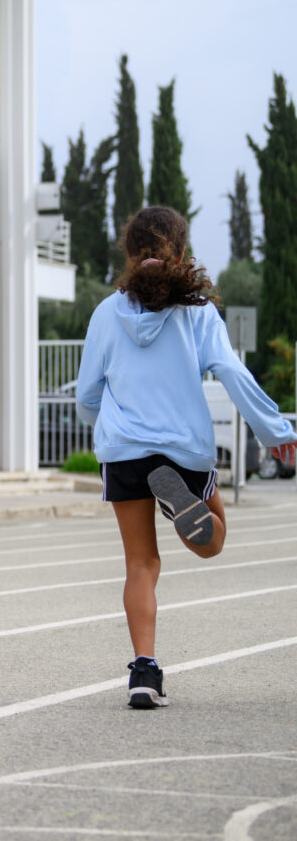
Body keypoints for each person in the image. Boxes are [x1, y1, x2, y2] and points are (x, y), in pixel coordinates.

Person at [75, 206, 297, 709]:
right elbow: (232, 374)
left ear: (130, 255)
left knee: (141, 563)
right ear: (180, 253)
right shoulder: (197, 312)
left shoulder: (106, 313)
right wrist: (275, 430)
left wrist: (108, 427)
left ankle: (144, 673)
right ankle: (187, 509)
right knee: (211, 542)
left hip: (124, 452)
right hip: (184, 451)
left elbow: (87, 395)